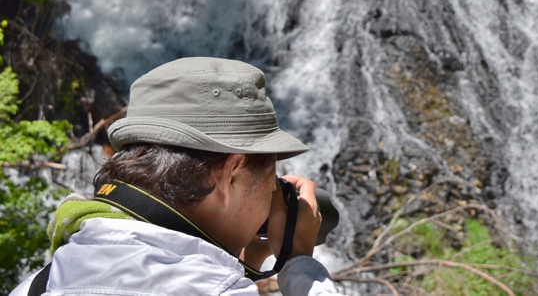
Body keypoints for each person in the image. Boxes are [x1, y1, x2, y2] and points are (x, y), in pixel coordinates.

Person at [10, 57, 343, 296]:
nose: (272, 197)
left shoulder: (35, 285)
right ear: (232, 172)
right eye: (272, 183)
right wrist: (298, 262)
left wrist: (239, 261)